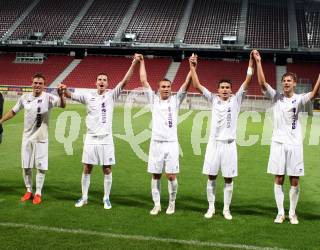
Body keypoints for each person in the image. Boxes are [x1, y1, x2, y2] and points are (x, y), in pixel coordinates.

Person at [253, 50, 320, 224]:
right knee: (279, 178)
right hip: (278, 143)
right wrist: (258, 62)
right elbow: (263, 83)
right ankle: (281, 213)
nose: (286, 83)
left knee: (294, 179)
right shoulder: (276, 97)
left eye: (289, 81)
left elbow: (314, 94)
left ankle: (292, 212)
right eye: (284, 81)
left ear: (295, 84)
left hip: (295, 144)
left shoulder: (299, 98)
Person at [62, 54, 140, 209]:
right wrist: (64, 90)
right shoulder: (87, 96)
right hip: (91, 137)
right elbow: (70, 95)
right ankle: (84, 197)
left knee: (107, 168)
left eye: (104, 80)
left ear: (107, 83)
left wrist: (134, 63)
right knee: (87, 167)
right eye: (100, 80)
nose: (102, 82)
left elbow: (125, 81)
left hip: (106, 138)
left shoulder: (111, 95)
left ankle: (106, 198)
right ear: (95, 82)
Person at [189, 52, 254, 220]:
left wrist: (251, 62)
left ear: (231, 90)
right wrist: (192, 66)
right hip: (213, 144)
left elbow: (247, 81)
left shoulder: (236, 100)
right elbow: (196, 85)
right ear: (217, 90)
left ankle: (226, 209)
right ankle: (211, 207)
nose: (225, 90)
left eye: (227, 88)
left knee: (228, 178)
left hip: (229, 145)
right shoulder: (213, 99)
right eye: (222, 88)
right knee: (211, 176)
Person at [0, 74, 66, 204]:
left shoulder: (48, 97)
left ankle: (38, 193)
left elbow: (63, 105)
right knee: (26, 166)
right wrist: (1, 120)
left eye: (40, 83)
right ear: (31, 84)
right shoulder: (24, 98)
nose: (37, 85)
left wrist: (61, 95)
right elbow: (14, 111)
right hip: (27, 138)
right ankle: (29, 190)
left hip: (41, 138)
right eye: (35, 82)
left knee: (40, 167)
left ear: (44, 85)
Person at [139, 54, 192, 215]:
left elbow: (186, 84)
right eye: (163, 86)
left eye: (168, 86)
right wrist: (141, 62)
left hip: (171, 143)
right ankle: (156, 205)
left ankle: (172, 203)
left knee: (170, 176)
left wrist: (192, 67)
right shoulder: (153, 100)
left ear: (171, 88)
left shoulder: (175, 101)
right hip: (156, 143)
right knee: (155, 176)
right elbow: (143, 80)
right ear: (158, 88)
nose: (166, 89)